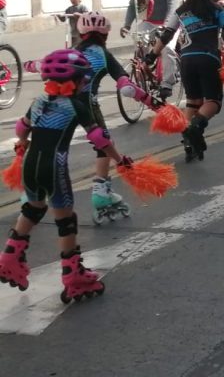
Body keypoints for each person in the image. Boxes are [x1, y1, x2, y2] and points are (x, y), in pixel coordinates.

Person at [0, 49, 131, 302]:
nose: (86, 83)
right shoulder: (77, 106)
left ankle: (8, 259)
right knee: (66, 220)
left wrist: (23, 142)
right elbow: (100, 139)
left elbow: (21, 127)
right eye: (84, 79)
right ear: (75, 81)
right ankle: (73, 276)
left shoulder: (39, 101)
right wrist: (120, 159)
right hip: (54, 168)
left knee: (33, 209)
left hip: (29, 165)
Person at [23, 12, 159, 223]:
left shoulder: (73, 53)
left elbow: (46, 64)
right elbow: (126, 87)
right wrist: (152, 102)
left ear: (81, 33)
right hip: (86, 104)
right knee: (104, 143)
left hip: (59, 100)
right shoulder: (104, 54)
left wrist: (28, 65)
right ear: (105, 35)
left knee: (45, 143)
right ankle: (101, 192)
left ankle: (30, 193)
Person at [146, 0, 224, 163]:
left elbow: (167, 35)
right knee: (213, 102)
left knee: (193, 102)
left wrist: (152, 56)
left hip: (187, 61)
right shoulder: (216, 8)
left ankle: (188, 143)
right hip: (208, 59)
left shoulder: (180, 11)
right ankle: (195, 127)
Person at [120, 0, 180, 100]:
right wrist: (127, 25)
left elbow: (172, 5)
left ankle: (167, 83)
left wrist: (166, 26)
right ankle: (144, 74)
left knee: (167, 48)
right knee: (139, 44)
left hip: (169, 23)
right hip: (149, 21)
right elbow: (134, 6)